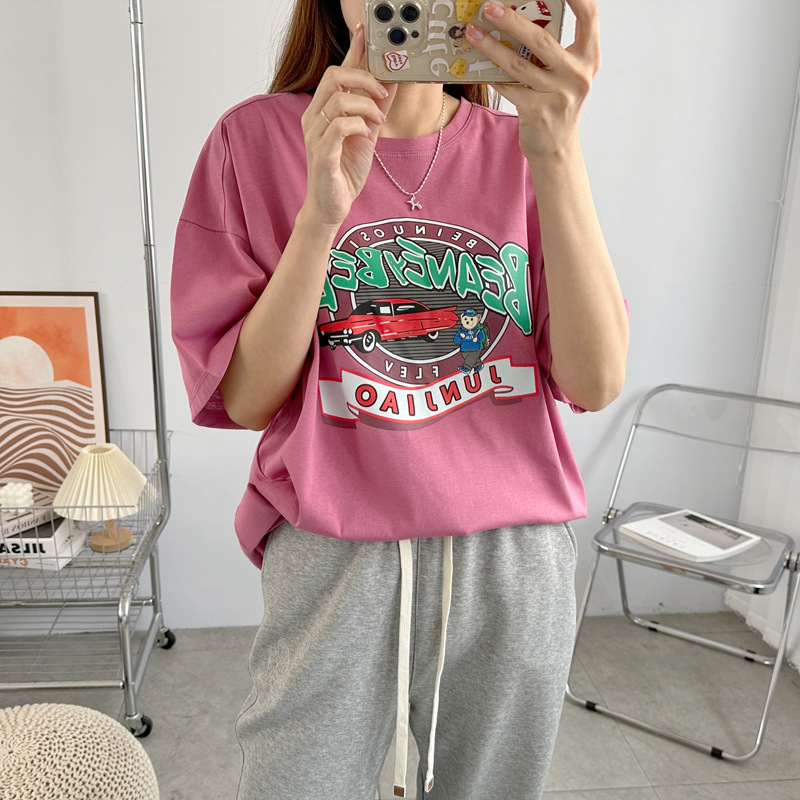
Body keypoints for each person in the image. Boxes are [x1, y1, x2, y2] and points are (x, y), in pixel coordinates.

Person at [170, 0, 628, 798]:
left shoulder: (527, 145)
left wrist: (557, 147)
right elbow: (245, 400)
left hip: (512, 558)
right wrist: (321, 214)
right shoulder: (256, 140)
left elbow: (594, 380)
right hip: (333, 552)